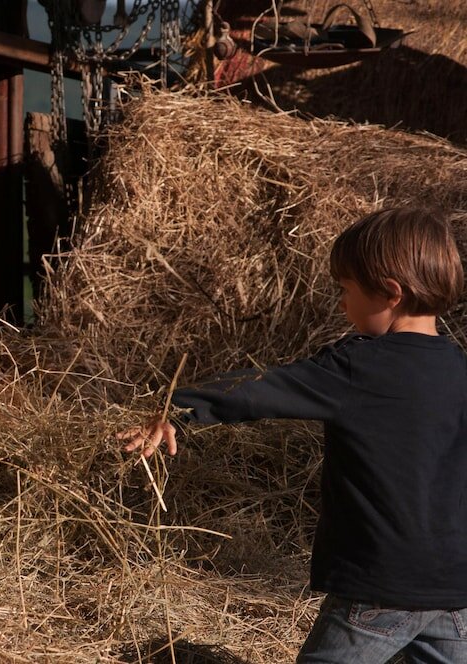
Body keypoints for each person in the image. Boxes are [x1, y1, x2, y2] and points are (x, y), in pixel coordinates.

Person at [116, 207, 467, 663]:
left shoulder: (359, 368)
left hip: (380, 589)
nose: (342, 305)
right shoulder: (459, 370)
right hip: (456, 588)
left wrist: (177, 410)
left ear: (391, 293)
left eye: (346, 291)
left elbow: (262, 390)